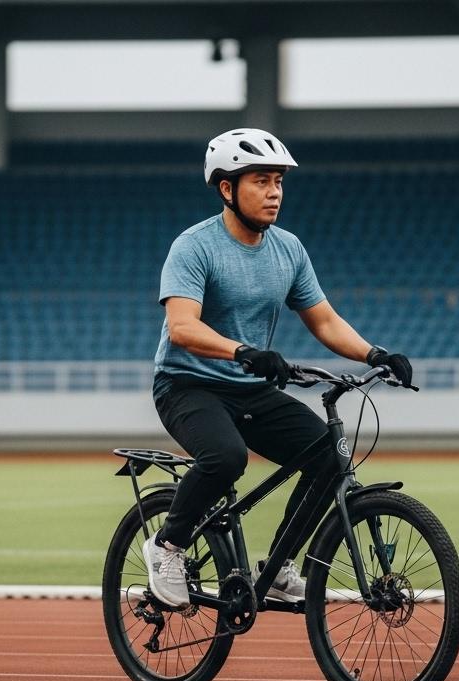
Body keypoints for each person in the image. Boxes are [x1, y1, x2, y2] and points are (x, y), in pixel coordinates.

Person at [142, 128, 413, 609]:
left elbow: (324, 320)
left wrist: (375, 354)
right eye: (261, 181)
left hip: (248, 387)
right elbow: (182, 327)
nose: (274, 192)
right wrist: (243, 351)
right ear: (227, 189)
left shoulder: (288, 249)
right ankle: (166, 546)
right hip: (187, 386)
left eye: (278, 182)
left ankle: (280, 566)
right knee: (226, 459)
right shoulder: (195, 247)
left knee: (328, 455)